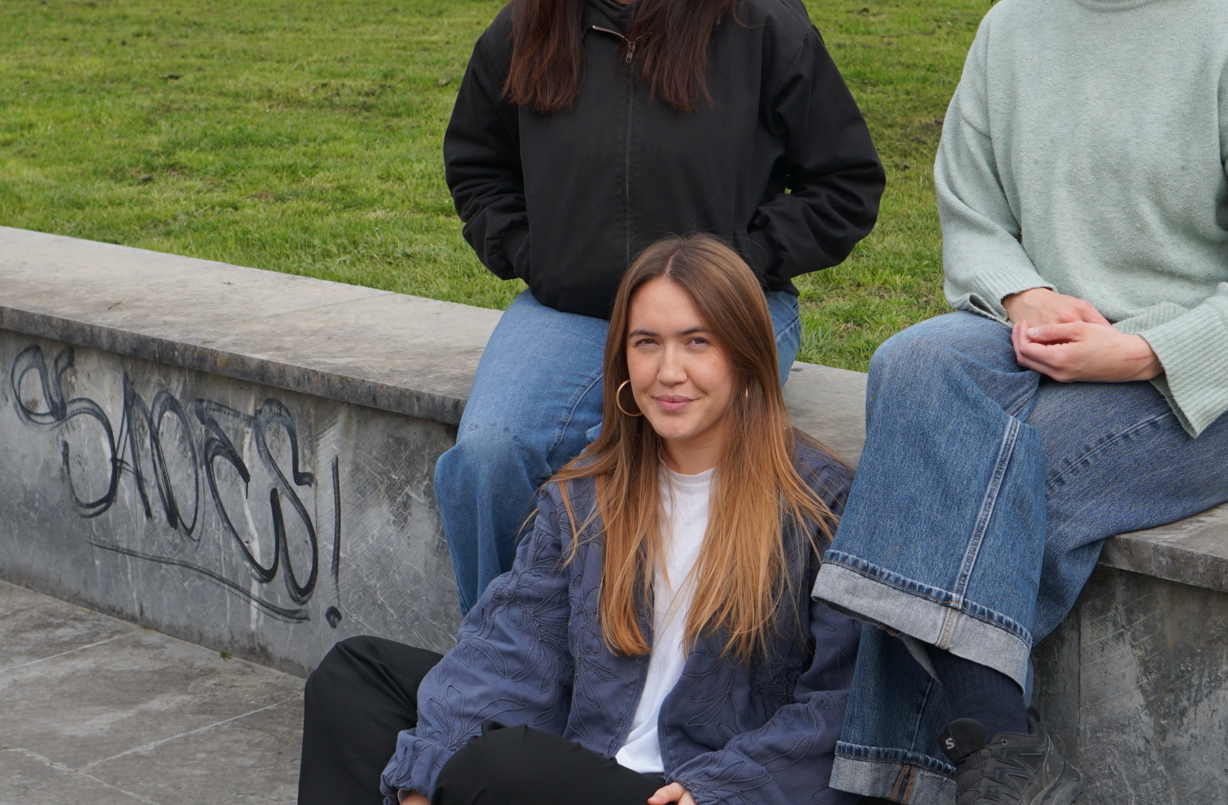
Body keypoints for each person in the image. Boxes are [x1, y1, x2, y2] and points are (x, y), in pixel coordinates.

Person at [812, 0, 1228, 805]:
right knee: (911, 363)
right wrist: (1023, 294)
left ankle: (931, 764)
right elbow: (972, 213)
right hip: (1039, 341)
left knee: (981, 479)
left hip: (1209, 387)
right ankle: (1003, 757)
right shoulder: (1014, 29)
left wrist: (1135, 351)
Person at [435, 0, 884, 618]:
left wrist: (740, 263)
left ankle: (630, 669)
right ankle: (495, 667)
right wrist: (535, 252)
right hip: (573, 312)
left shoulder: (763, 27)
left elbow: (846, 184)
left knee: (645, 465)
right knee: (487, 459)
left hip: (721, 313)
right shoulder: (528, 28)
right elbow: (477, 164)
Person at [298, 234, 862, 805]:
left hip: (695, 788)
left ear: (745, 354)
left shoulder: (819, 504)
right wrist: (422, 780)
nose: (669, 371)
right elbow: (512, 646)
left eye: (697, 342)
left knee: (502, 764)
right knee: (356, 675)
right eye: (647, 343)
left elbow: (845, 703)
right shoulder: (589, 490)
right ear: (622, 358)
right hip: (594, 755)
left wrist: (721, 789)